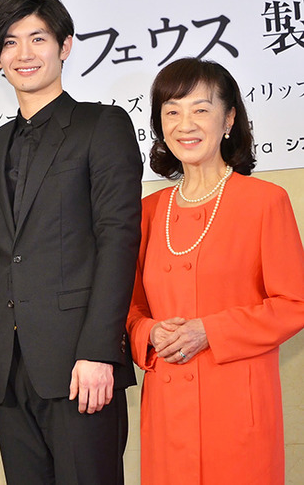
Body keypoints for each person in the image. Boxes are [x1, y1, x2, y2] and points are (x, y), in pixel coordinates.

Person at [0, 0, 142, 484]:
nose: (24, 53)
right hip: (6, 370)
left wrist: (100, 351)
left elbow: (118, 241)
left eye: (38, 38)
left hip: (80, 366)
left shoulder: (101, 125)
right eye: (10, 42)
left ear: (64, 46)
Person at [126, 57, 304, 484]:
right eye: (172, 112)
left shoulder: (264, 201)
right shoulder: (147, 212)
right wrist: (149, 332)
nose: (185, 124)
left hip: (237, 408)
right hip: (167, 410)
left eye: (200, 109)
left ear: (229, 119)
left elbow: (295, 302)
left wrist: (211, 331)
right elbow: (130, 309)